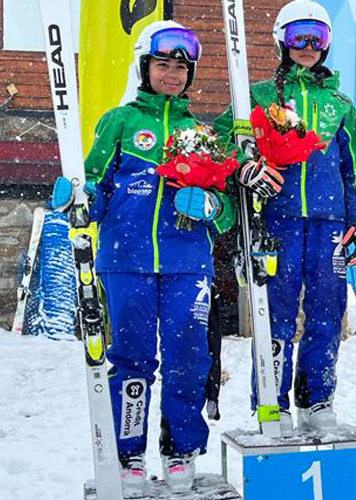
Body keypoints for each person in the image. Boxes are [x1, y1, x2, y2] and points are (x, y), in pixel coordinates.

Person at [82, 21, 236, 495]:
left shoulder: (201, 134)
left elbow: (228, 213)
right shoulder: (120, 123)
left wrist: (211, 206)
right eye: (163, 65)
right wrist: (78, 197)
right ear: (144, 68)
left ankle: (180, 449)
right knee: (131, 358)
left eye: (181, 68)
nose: (172, 74)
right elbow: (95, 191)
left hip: (187, 263)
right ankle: (129, 455)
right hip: (125, 261)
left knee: (188, 357)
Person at [215, 0, 356, 436]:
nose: (307, 46)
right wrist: (244, 167)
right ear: (281, 42)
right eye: (298, 37)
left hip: (329, 223)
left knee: (327, 311)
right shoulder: (260, 96)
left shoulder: (340, 105)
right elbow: (223, 142)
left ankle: (316, 399)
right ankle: (272, 400)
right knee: (276, 312)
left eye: (316, 38)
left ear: (327, 45)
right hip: (277, 220)